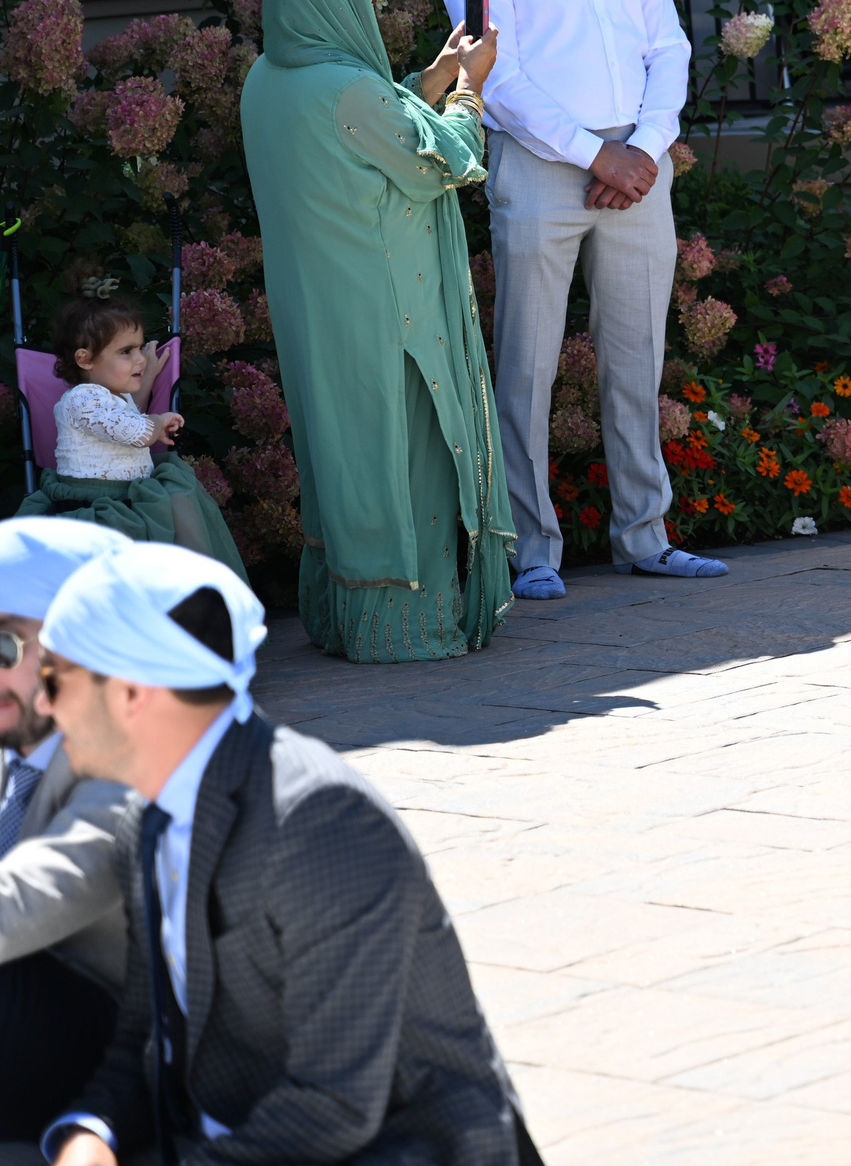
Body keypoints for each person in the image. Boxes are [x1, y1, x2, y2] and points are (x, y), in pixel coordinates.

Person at [36, 543, 536, 1166]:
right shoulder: (147, 816)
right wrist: (92, 1134)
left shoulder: (319, 819)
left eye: (54, 677)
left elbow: (335, 1105)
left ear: (132, 692)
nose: (42, 704)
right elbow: (147, 1037)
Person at [441, 0, 724, 599]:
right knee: (525, 365)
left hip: (637, 165)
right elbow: (494, 72)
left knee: (637, 358)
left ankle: (645, 536)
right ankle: (531, 551)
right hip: (539, 166)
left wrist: (640, 148)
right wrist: (593, 156)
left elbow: (667, 47)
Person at [244, 0, 514, 661]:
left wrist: (429, 76)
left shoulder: (265, 79)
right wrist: (468, 89)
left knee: (344, 455)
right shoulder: (347, 90)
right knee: (406, 458)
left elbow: (371, 127)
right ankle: (408, 627)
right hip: (389, 314)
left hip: (317, 315)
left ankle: (344, 616)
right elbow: (446, 161)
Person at [0, 520, 136, 1147]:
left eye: (7, 648)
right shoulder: (19, 734)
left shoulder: (130, 759)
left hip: (110, 1039)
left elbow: (37, 895)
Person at [13, 278, 244, 581]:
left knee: (175, 488)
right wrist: (159, 421)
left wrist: (147, 375)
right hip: (98, 504)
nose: (138, 359)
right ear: (85, 359)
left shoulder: (110, 395)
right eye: (126, 351)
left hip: (129, 495)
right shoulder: (82, 400)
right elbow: (137, 434)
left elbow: (129, 409)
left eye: (139, 348)